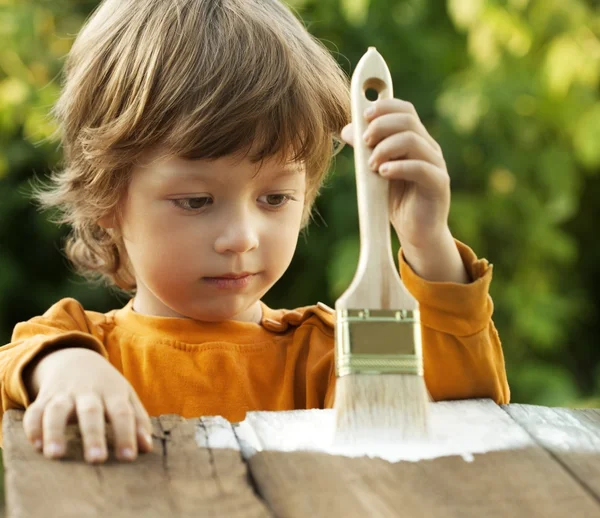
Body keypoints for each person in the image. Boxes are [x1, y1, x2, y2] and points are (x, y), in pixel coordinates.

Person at [0, 0, 509, 465]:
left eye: (274, 198)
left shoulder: (329, 355)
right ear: (107, 194)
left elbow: (463, 423)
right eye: (197, 201)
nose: (242, 237)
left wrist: (427, 244)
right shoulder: (80, 346)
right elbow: (16, 367)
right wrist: (62, 370)